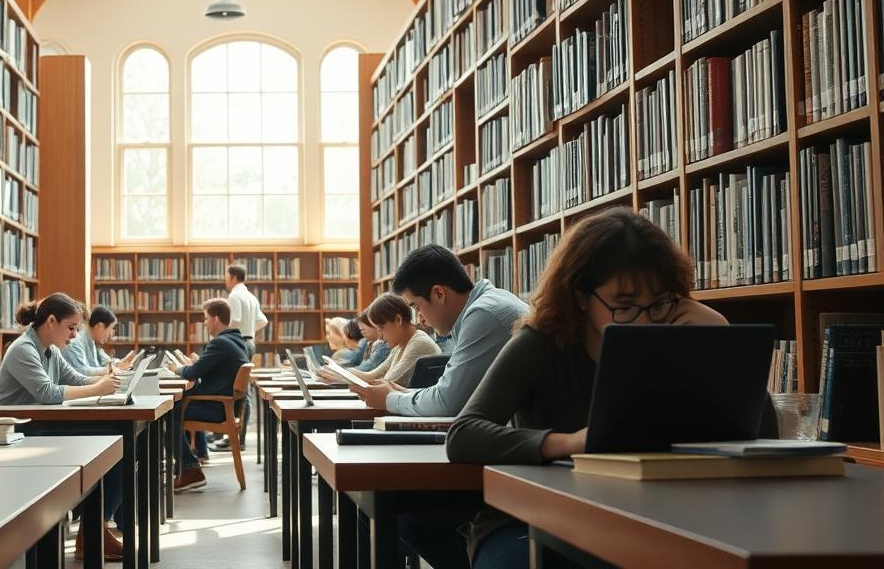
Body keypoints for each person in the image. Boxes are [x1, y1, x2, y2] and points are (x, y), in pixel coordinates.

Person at [444, 206, 773, 568]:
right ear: (581, 296)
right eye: (624, 305)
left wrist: (720, 341)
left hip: (653, 518)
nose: (644, 322)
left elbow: (764, 433)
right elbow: (464, 433)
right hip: (532, 519)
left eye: (659, 304)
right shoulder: (541, 343)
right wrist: (569, 443)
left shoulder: (677, 342)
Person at [0, 293, 126, 561]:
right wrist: (98, 389)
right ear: (51, 321)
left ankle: (93, 525)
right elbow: (47, 393)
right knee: (115, 441)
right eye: (72, 327)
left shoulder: (50, 350)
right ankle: (91, 525)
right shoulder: (23, 349)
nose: (76, 335)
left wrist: (104, 380)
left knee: (116, 441)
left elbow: (73, 378)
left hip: (43, 425)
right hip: (20, 433)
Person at [351, 244, 527, 417]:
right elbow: (454, 394)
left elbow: (447, 403)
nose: (419, 317)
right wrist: (405, 393)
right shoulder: (486, 304)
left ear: (439, 294)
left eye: (417, 307)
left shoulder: (483, 315)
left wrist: (390, 400)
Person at [172, 298, 249, 491]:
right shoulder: (237, 341)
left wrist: (176, 368)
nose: (204, 323)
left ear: (215, 319)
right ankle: (192, 458)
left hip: (215, 408)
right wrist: (200, 363)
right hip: (224, 406)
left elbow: (191, 374)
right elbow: (212, 371)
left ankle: (190, 470)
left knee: (167, 413)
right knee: (176, 406)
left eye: (206, 318)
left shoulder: (220, 343)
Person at [322, 293, 438, 387]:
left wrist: (343, 377)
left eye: (381, 328)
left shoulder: (418, 344)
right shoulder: (401, 344)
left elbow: (387, 383)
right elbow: (373, 375)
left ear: (398, 320)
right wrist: (340, 374)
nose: (380, 337)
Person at [218, 264, 266, 450]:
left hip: (238, 343)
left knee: (236, 391)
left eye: (226, 276)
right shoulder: (250, 296)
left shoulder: (235, 296)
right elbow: (263, 321)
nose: (225, 280)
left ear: (232, 277)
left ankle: (235, 439)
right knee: (241, 389)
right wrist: (249, 332)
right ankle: (235, 437)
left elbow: (235, 321)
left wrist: (225, 338)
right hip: (249, 342)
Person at [61, 304, 137, 376]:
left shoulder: (92, 340)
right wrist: (111, 369)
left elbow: (105, 361)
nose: (111, 334)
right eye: (111, 328)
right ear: (100, 326)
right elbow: (81, 371)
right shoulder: (77, 339)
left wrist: (119, 364)